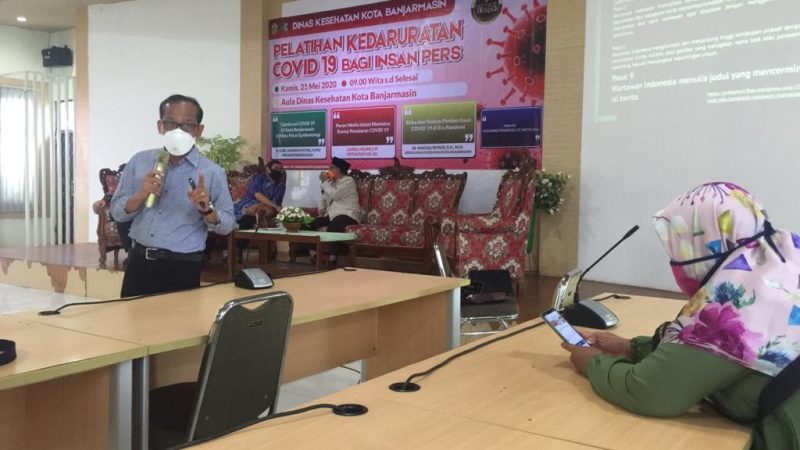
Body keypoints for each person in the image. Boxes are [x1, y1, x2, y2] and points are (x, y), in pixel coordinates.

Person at [560, 182, 800, 449]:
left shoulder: (737, 297)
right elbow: (703, 360)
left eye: (685, 248)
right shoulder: (780, 262)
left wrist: (592, 363)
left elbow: (650, 391)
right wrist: (632, 348)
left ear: (709, 242)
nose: (677, 261)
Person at [111, 94, 235, 297]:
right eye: (171, 123)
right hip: (139, 263)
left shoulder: (212, 172)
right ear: (160, 126)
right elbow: (117, 212)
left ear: (198, 130)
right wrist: (141, 194)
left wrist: (207, 209)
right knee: (132, 317)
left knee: (178, 319)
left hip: (182, 267)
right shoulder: (140, 161)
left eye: (187, 125)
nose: (178, 131)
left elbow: (228, 224)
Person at [306, 157, 361, 263]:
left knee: (334, 225)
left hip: (348, 214)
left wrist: (324, 182)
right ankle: (315, 255)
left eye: (331, 168)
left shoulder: (348, 181)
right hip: (332, 215)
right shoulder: (331, 183)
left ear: (338, 170)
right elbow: (323, 198)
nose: (328, 170)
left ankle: (332, 259)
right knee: (307, 222)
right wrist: (321, 208)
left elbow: (335, 195)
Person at [233, 159, 286, 230]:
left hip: (265, 209)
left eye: (280, 169)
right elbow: (258, 195)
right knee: (247, 219)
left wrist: (275, 207)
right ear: (268, 169)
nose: (278, 171)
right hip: (246, 207)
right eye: (276, 168)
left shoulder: (280, 185)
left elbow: (277, 202)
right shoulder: (258, 178)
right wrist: (274, 206)